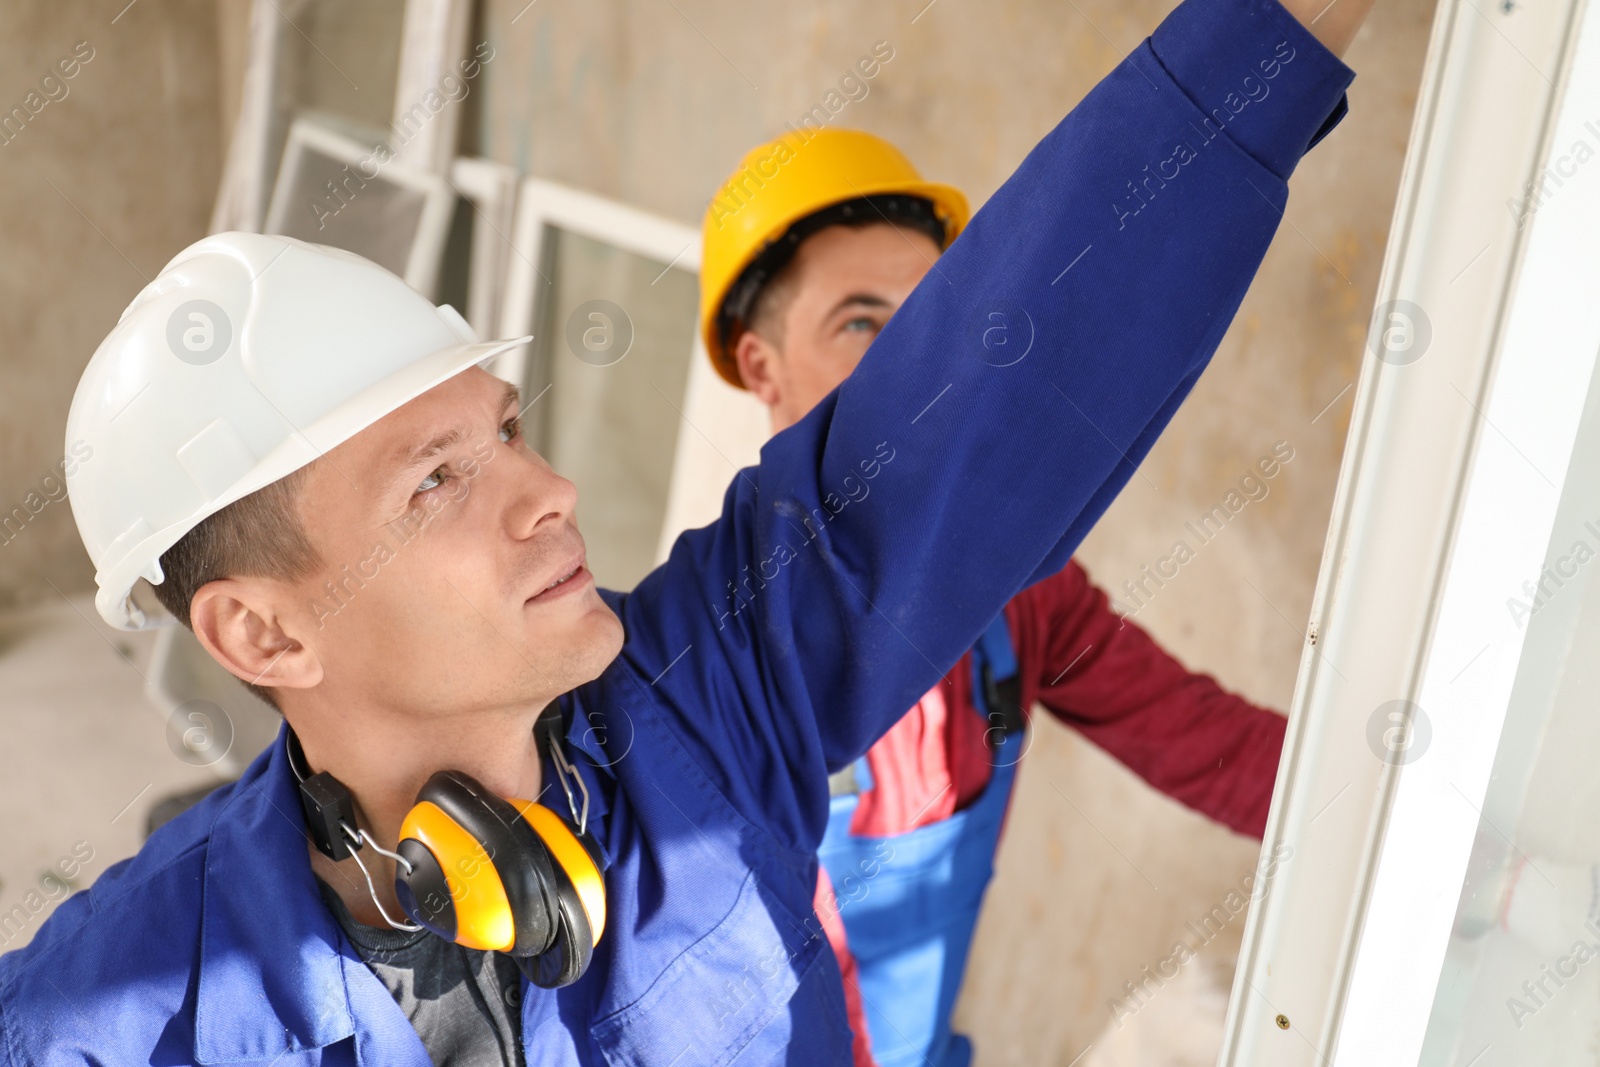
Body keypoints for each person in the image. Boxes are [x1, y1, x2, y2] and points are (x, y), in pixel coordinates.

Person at [0, 0, 1367, 1061]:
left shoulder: (711, 697)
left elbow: (1005, 373)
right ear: (262, 626)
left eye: (511, 431)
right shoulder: (108, 1013)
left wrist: (1273, 40)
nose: (552, 492)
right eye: (433, 480)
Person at [699, 127, 1294, 1067]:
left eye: (932, 322)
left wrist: (1397, 812)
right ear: (762, 366)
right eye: (861, 324)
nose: (912, 375)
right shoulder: (722, 667)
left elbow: (1209, 743)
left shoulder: (1022, 603)